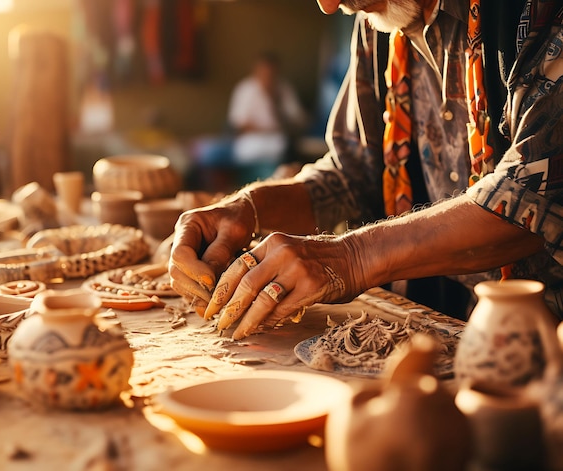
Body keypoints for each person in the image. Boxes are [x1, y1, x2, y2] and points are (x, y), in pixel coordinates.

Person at [169, 0, 563, 341]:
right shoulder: (378, 19)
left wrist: (350, 259)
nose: (328, 5)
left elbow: (530, 200)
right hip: (432, 331)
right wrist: (247, 209)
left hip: (545, 349)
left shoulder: (536, 11)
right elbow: (352, 172)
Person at [227, 51, 308, 182]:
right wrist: (265, 129)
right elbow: (238, 124)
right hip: (251, 142)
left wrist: (276, 102)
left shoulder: (284, 89)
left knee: (281, 157)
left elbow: (298, 120)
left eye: (270, 73)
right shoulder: (245, 89)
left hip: (277, 143)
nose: (267, 76)